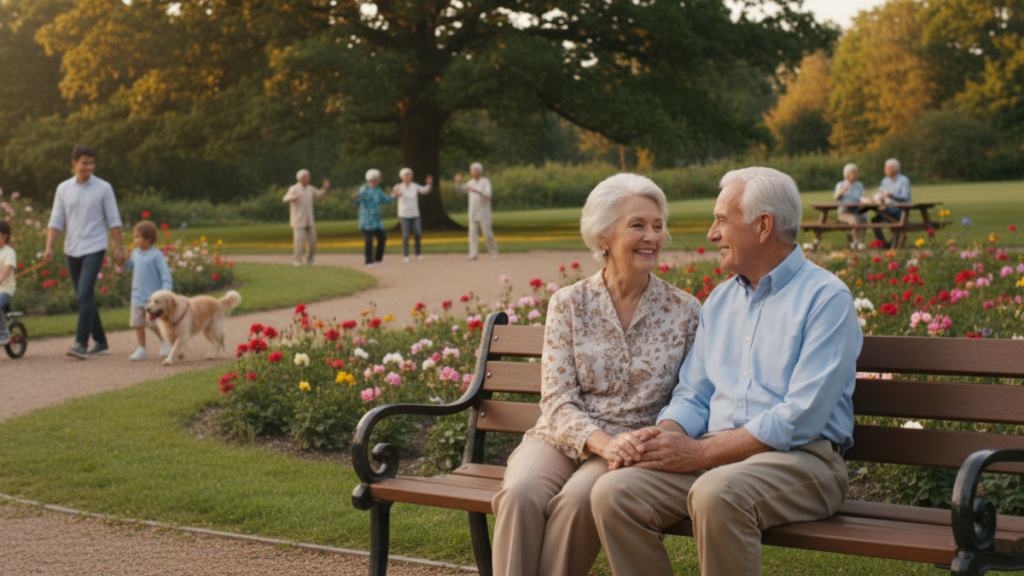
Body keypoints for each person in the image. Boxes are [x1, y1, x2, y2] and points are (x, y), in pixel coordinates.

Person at [590, 167, 862, 576]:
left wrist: (700, 452)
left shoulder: (826, 299)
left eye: (721, 220)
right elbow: (694, 393)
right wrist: (668, 436)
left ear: (763, 225)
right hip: (717, 460)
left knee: (717, 493)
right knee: (614, 492)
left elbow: (802, 416)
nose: (711, 234)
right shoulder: (720, 301)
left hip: (805, 462)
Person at [491, 173, 701, 576]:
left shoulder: (685, 310)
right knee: (519, 494)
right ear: (603, 236)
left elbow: (689, 394)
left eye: (658, 226)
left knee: (578, 501)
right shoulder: (569, 303)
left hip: (632, 443)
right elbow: (556, 397)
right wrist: (600, 443)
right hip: (561, 435)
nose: (652, 237)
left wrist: (633, 443)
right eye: (637, 225)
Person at [44, 145, 126, 359]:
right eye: (85, 163)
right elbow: (56, 220)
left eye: (92, 163)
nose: (89, 167)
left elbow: (113, 219)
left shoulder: (104, 188)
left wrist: (119, 247)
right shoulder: (63, 189)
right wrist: (49, 248)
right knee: (84, 296)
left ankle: (81, 343)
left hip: (95, 247)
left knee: (84, 292)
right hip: (71, 248)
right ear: (74, 164)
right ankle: (101, 341)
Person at [125, 221, 173, 361]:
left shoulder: (156, 255)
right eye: (135, 237)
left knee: (153, 324)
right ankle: (142, 348)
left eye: (138, 237)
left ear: (149, 239)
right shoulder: (135, 253)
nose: (135, 240)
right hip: (136, 296)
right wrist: (122, 261)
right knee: (138, 323)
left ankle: (165, 341)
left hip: (152, 299)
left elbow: (165, 275)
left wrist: (166, 293)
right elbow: (128, 267)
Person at [283, 169, 330, 266]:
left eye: (309, 176)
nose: (309, 178)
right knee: (299, 241)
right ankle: (298, 259)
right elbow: (285, 199)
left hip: (309, 219)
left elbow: (318, 195)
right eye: (307, 177)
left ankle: (310, 259)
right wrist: (294, 198)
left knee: (313, 240)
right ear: (301, 178)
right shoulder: (294, 188)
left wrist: (325, 189)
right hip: (298, 219)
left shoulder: (310, 188)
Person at [454, 162, 497, 260]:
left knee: (487, 233)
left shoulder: (486, 182)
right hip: (473, 212)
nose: (472, 172)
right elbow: (461, 190)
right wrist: (457, 182)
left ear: (479, 172)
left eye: (474, 170)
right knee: (472, 234)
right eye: (472, 170)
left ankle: (493, 252)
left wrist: (477, 190)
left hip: (484, 213)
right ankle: (473, 254)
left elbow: (489, 195)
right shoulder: (470, 182)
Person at [865, 158, 911, 247]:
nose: (885, 169)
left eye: (887, 168)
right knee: (875, 220)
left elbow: (905, 197)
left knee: (888, 218)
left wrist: (892, 195)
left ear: (894, 169)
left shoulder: (904, 180)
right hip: (887, 208)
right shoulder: (885, 180)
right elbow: (880, 193)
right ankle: (883, 244)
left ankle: (894, 243)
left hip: (900, 210)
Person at [390, 168, 432, 262]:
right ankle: (406, 255)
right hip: (404, 214)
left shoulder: (414, 186)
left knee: (417, 233)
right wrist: (395, 193)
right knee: (406, 235)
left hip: (415, 213)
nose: (408, 177)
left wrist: (429, 184)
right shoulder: (399, 186)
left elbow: (425, 191)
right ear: (402, 177)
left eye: (410, 175)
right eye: (406, 175)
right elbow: (392, 196)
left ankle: (418, 253)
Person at [353, 169, 393, 267]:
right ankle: (368, 261)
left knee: (382, 238)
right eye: (378, 177)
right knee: (369, 241)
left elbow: (385, 200)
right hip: (367, 220)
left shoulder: (378, 190)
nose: (380, 178)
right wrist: (357, 198)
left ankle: (378, 259)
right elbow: (357, 201)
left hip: (376, 220)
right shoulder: (364, 189)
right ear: (374, 178)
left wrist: (394, 196)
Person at [834, 163, 866, 248]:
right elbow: (836, 198)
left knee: (864, 217)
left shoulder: (859, 185)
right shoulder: (841, 184)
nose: (855, 174)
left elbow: (863, 197)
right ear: (847, 174)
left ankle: (861, 242)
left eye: (856, 172)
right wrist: (843, 190)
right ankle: (855, 242)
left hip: (857, 210)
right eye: (853, 172)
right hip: (844, 212)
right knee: (854, 220)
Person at [0, 220, 15, 347]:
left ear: (4, 236)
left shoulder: (9, 252)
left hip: (6, 288)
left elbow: (7, 269)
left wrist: (1, 278)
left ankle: (4, 332)